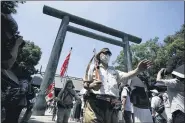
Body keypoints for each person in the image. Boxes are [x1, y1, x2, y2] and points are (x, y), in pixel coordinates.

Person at [83, 48, 152, 123]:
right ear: (99, 55)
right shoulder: (93, 68)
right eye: (104, 53)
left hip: (111, 106)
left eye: (109, 54)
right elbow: (85, 84)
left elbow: (127, 75)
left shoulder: (114, 71)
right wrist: (91, 85)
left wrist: (138, 70)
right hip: (95, 104)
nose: (107, 55)